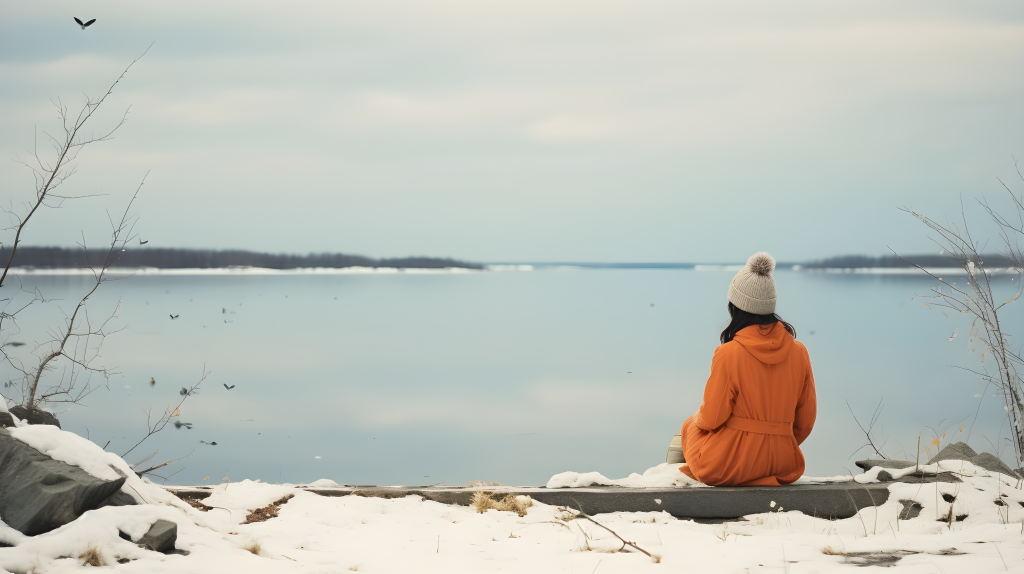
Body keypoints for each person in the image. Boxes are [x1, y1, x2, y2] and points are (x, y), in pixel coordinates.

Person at [678, 252, 816, 486]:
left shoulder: (728, 354)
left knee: (690, 425)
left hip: (729, 466)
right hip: (785, 464)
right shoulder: (799, 351)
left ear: (735, 307)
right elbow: (805, 422)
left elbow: (712, 418)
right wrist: (776, 441)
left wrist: (697, 422)